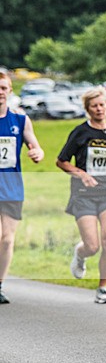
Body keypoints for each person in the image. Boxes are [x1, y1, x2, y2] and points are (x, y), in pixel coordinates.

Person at [57, 87, 106, 304]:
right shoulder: (80, 132)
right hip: (83, 194)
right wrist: (81, 174)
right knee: (92, 245)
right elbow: (61, 161)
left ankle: (102, 288)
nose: (99, 109)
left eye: (102, 105)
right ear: (87, 109)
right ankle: (81, 255)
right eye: (94, 106)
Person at [0, 71, 45, 304]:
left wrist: (37, 153)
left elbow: (36, 147)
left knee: (7, 239)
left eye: (3, 88)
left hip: (11, 188)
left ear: (9, 91)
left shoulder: (20, 120)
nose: (0, 92)